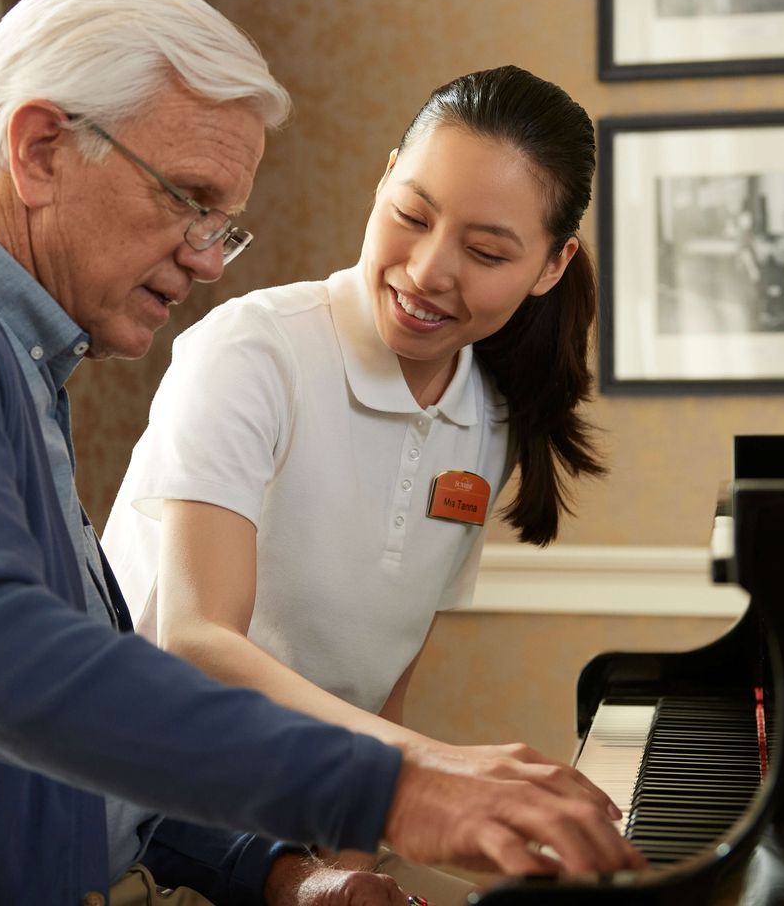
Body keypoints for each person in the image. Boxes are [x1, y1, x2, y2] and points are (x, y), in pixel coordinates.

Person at [0, 0, 643, 906]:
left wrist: (288, 878)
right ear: (39, 150)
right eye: (188, 199)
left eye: (223, 225)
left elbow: (94, 757)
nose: (207, 259)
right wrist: (395, 786)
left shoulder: (20, 367)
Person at [103, 65, 615, 893]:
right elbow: (197, 641)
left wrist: (349, 867)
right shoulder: (255, 351)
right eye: (410, 216)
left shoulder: (488, 417)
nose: (428, 270)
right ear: (382, 182)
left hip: (302, 832)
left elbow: (383, 678)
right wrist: (433, 769)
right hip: (149, 813)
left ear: (553, 266)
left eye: (486, 252)